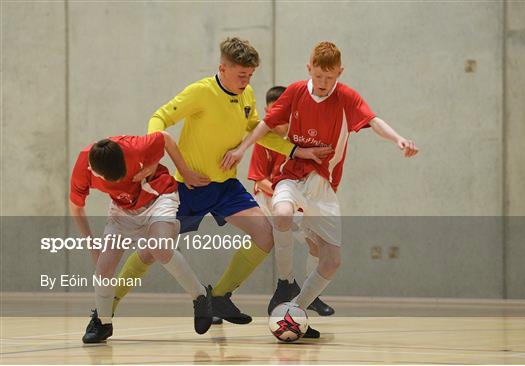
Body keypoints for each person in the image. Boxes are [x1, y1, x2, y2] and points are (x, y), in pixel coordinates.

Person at [111, 37, 328, 337]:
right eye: (241, 75)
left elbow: (256, 131)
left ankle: (219, 297)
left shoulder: (247, 94)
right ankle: (105, 309)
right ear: (222, 68)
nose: (246, 81)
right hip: (187, 187)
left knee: (266, 234)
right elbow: (159, 117)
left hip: (226, 188)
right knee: (151, 250)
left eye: (250, 75)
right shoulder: (201, 92)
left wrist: (295, 150)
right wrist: (151, 153)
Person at [221, 41, 419, 334]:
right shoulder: (296, 91)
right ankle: (285, 281)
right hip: (292, 176)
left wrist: (399, 139)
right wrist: (240, 149)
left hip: (323, 186)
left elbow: (374, 121)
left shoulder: (346, 97)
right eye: (319, 76)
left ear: (340, 72)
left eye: (331, 77)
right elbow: (264, 124)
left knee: (331, 261)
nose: (324, 83)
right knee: (282, 213)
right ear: (308, 69)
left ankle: (296, 309)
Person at [70, 131, 212, 343]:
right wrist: (92, 246)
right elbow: (76, 209)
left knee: (160, 247)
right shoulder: (83, 167)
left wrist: (184, 171)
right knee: (103, 267)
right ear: (95, 172)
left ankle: (200, 296)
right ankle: (103, 322)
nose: (119, 181)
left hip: (158, 196)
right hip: (123, 208)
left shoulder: (135, 147)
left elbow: (165, 138)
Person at [248, 86, 335, 316]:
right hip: (267, 199)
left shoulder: (298, 140)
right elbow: (259, 180)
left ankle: (310, 294)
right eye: (273, 110)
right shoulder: (263, 141)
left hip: (290, 198)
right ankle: (283, 284)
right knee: (267, 238)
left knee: (316, 243)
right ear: (267, 111)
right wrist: (284, 192)